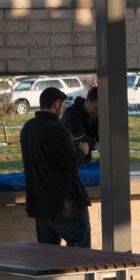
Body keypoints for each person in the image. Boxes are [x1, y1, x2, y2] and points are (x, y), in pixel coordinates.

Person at [21, 87, 91, 249]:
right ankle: (80, 277)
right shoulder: (56, 129)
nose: (63, 109)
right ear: (56, 104)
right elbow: (71, 163)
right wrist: (82, 150)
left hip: (39, 203)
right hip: (63, 202)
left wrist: (67, 142)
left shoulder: (28, 128)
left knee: (49, 256)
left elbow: (47, 156)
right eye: (63, 105)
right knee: (81, 249)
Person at [61, 85, 100, 161]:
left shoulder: (95, 116)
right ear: (87, 101)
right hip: (68, 160)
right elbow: (76, 135)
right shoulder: (71, 114)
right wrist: (95, 144)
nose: (98, 114)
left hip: (84, 159)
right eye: (96, 109)